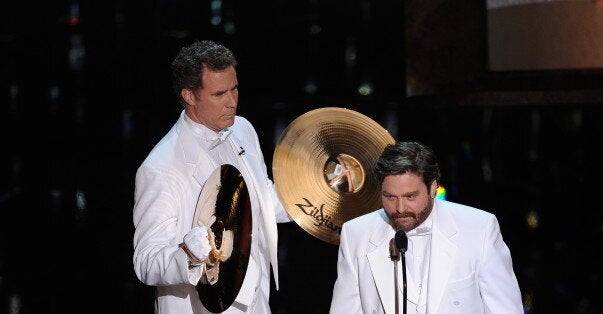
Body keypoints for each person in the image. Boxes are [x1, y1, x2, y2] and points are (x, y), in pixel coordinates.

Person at [132, 39, 292, 313]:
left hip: (256, 302)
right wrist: (189, 253)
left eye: (235, 89)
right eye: (219, 94)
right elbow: (146, 262)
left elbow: (262, 200)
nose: (232, 102)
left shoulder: (243, 130)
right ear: (189, 96)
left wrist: (320, 187)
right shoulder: (160, 168)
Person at [330, 141, 523, 313]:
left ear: (432, 188)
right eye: (390, 197)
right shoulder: (356, 234)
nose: (400, 208)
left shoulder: (479, 229)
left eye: (410, 196)